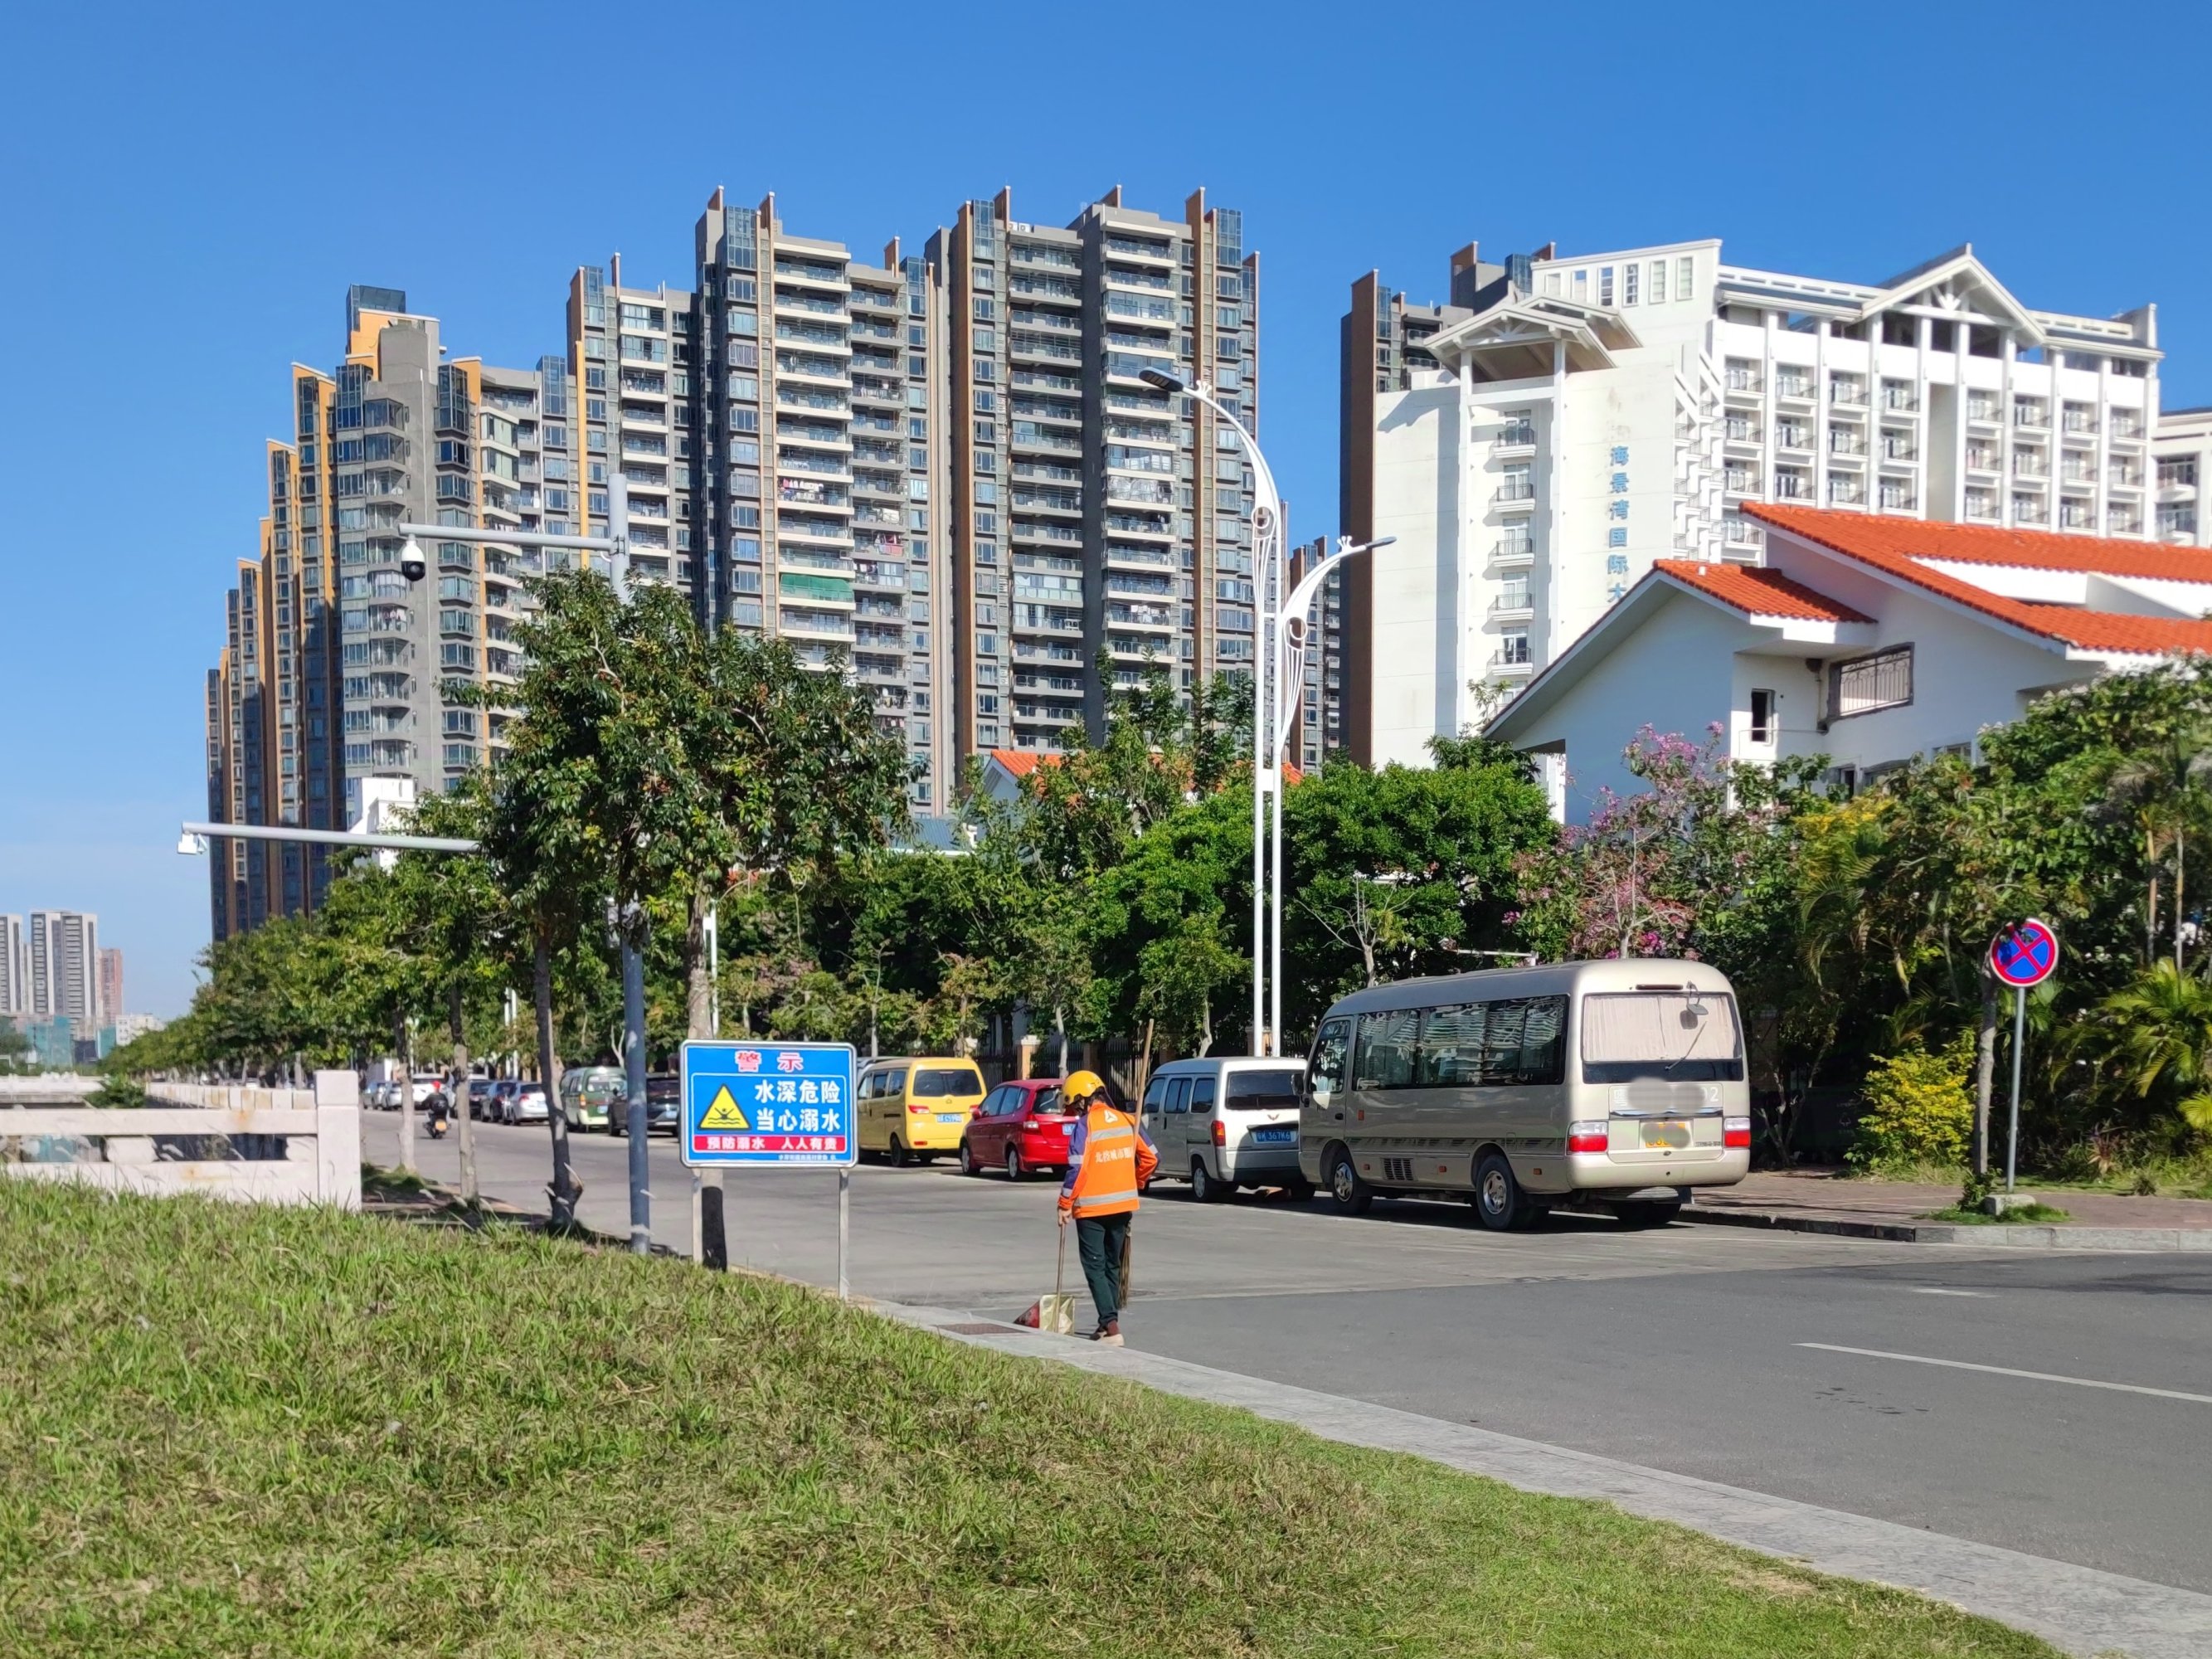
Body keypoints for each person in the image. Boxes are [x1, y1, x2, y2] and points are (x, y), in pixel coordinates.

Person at [1056, 1070, 1158, 1346]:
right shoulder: (1128, 1120)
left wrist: (1064, 1203)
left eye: (1075, 1106)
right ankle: (1106, 1326)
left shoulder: (1085, 1126)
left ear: (1082, 1099)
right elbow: (1152, 1157)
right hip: (1123, 1206)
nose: (1076, 1113)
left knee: (1095, 1266)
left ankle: (1112, 1329)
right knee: (1112, 1264)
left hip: (1091, 1210)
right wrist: (1135, 1180)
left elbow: (1077, 1169)